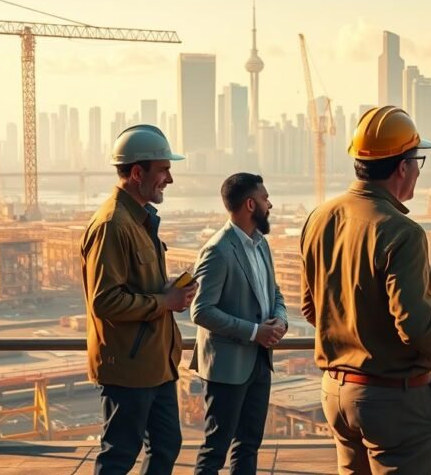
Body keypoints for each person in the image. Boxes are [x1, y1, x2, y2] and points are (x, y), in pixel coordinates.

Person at [300, 106, 431, 475]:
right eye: (417, 161)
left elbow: (313, 306)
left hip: (336, 392)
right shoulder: (403, 231)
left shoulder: (320, 218)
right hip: (391, 404)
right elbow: (413, 325)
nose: (417, 171)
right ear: (402, 167)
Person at [81, 125, 196, 475]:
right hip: (129, 368)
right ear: (136, 172)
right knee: (119, 455)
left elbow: (136, 285)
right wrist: (166, 301)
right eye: (163, 170)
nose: (169, 179)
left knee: (166, 446)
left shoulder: (138, 221)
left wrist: (168, 287)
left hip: (155, 364)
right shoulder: (113, 225)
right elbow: (105, 300)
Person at [190, 173, 287, 475]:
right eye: (264, 198)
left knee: (248, 446)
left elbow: (275, 292)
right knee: (215, 451)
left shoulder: (261, 245)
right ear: (250, 204)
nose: (269, 204)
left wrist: (281, 319)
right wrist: (256, 332)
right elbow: (201, 310)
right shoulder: (217, 250)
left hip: (259, 362)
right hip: (226, 368)